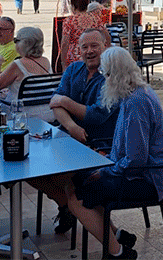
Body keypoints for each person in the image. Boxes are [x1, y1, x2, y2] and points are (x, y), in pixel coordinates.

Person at [67, 46, 163, 259]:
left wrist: (105, 171)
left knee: (78, 196)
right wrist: (108, 160)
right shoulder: (134, 94)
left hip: (147, 180)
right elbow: (130, 151)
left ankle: (119, 253)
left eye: (105, 74)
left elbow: (136, 159)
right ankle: (116, 237)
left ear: (114, 76)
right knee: (78, 181)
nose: (103, 80)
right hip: (142, 172)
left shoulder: (136, 102)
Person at [30, 29, 120, 235]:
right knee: (29, 166)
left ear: (105, 46)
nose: (89, 51)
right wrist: (71, 126)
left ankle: (75, 208)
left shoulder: (112, 76)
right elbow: (54, 103)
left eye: (94, 46)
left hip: (98, 146)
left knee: (65, 178)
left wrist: (64, 101)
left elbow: (95, 115)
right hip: (69, 138)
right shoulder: (73, 70)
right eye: (84, 47)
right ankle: (66, 205)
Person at [0, 26, 53, 121]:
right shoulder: (46, 61)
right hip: (48, 112)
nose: (14, 43)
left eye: (16, 40)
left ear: (25, 44)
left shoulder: (18, 64)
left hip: (23, 116)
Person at [61, 0, 111, 70]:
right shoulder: (95, 18)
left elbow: (65, 43)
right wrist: (107, 51)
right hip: (94, 56)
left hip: (75, 58)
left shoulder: (69, 21)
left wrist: (63, 62)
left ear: (73, 7)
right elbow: (107, 36)